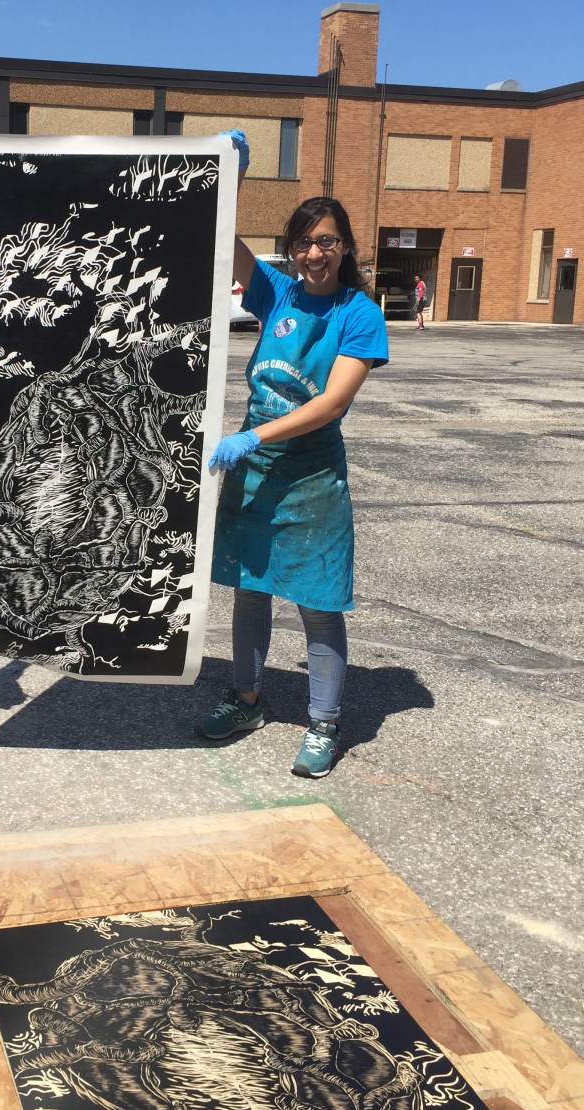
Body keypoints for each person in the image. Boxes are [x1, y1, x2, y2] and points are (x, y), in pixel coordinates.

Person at [195, 130, 388, 779]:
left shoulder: (358, 313)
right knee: (250, 592)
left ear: (344, 247)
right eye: (304, 242)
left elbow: (332, 402)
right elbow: (221, 240)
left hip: (311, 478)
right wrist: (233, 175)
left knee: (317, 601)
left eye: (326, 241)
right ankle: (246, 699)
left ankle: (324, 723)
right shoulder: (277, 292)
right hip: (253, 475)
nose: (314, 252)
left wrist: (253, 435)